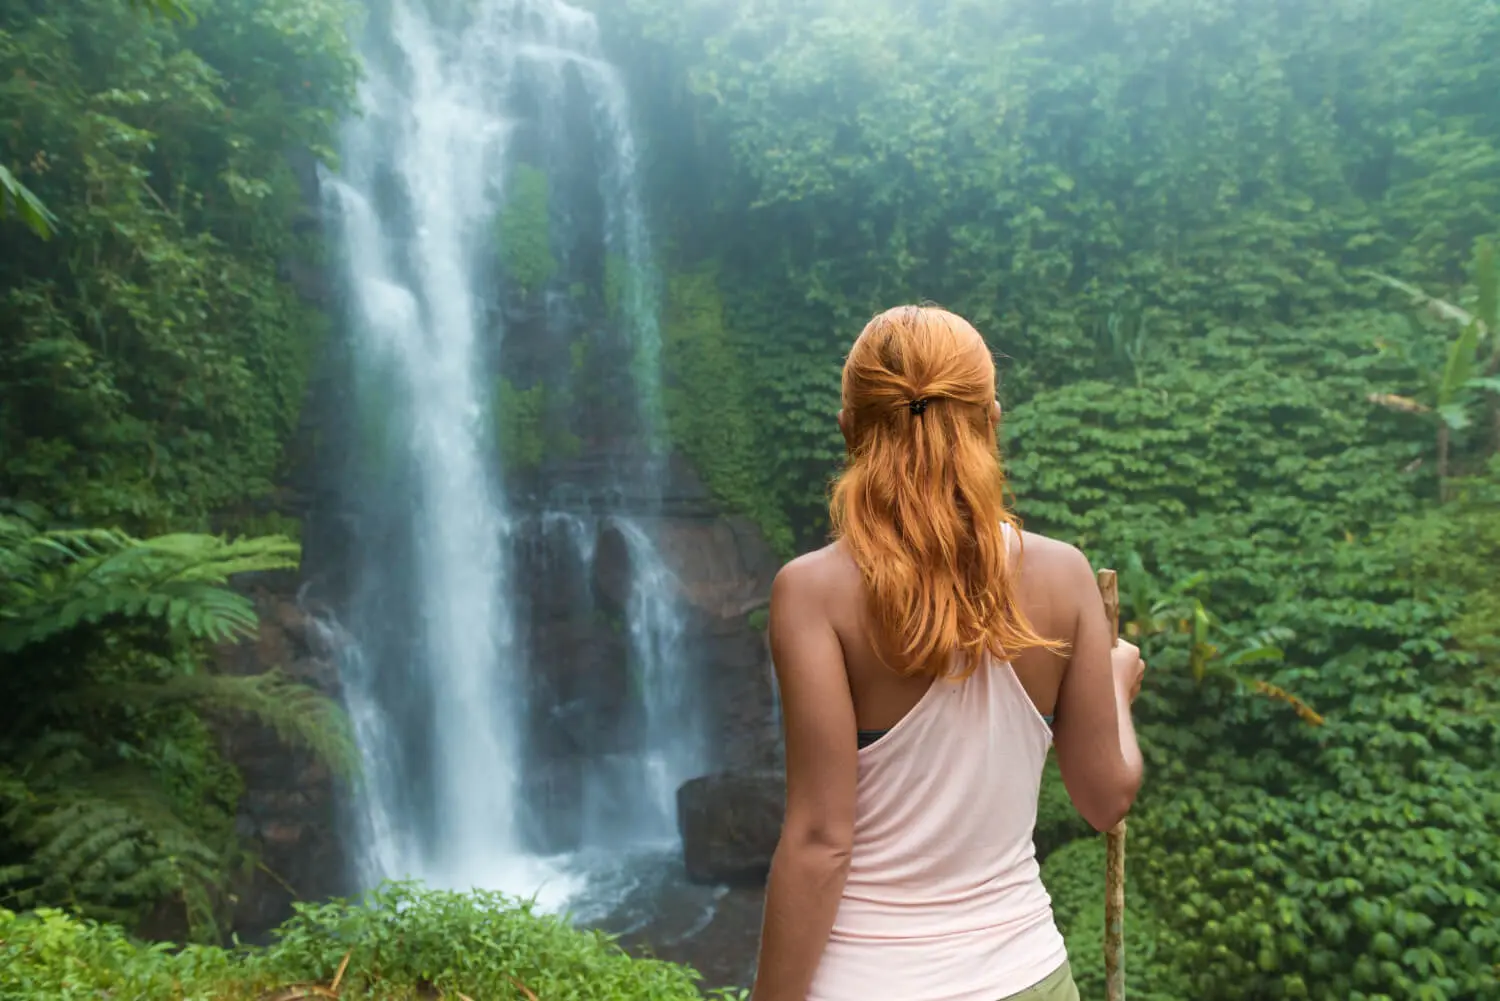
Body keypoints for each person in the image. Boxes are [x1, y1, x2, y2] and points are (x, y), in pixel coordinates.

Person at [749, 305, 1146, 1001]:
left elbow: (820, 841)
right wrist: (1115, 684)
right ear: (992, 420)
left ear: (849, 429)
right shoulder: (1063, 575)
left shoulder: (812, 593)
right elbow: (1105, 798)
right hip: (1027, 976)